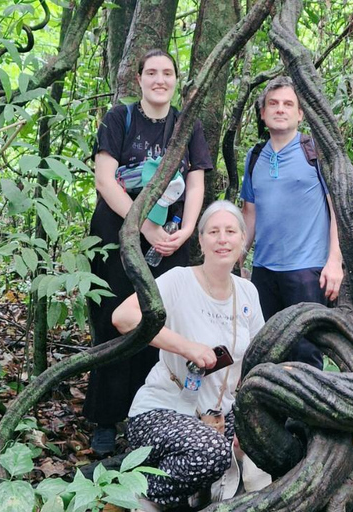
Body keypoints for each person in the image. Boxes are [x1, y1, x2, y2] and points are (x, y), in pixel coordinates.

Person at [83, 49, 213, 455]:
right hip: (118, 235)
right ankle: (106, 419)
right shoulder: (118, 119)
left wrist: (188, 229)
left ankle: (148, 414)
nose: (160, 79)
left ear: (177, 80)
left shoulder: (185, 125)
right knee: (111, 322)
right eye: (152, 73)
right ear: (138, 78)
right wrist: (146, 227)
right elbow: (106, 182)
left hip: (169, 242)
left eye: (167, 73)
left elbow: (195, 183)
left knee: (159, 322)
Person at [112, 200, 265, 509]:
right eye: (214, 232)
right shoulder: (180, 280)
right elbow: (123, 317)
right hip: (163, 410)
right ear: (201, 240)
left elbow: (259, 359)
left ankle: (192, 493)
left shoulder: (248, 291)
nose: (223, 239)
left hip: (220, 416)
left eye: (231, 231)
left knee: (267, 438)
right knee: (212, 453)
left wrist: (251, 423)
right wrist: (187, 347)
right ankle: (132, 495)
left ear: (243, 240)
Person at [239, 76, 343, 369]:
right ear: (262, 113)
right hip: (263, 270)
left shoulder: (316, 153)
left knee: (306, 350)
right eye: (273, 104)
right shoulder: (254, 156)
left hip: (307, 270)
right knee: (266, 349)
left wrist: (334, 261)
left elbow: (338, 211)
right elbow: (250, 213)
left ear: (300, 114)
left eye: (288, 104)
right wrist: (238, 258)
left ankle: (305, 415)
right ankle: (273, 413)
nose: (280, 109)